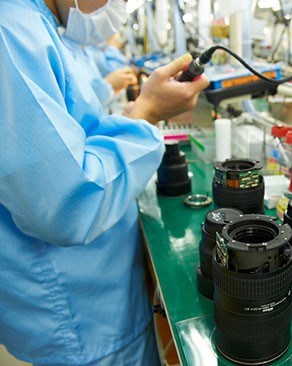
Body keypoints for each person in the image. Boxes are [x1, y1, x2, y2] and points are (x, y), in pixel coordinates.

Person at [0, 0, 209, 365]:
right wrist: (147, 113)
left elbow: (71, 140)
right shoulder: (11, 33)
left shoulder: (39, 26)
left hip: (99, 294)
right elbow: (66, 205)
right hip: (79, 317)